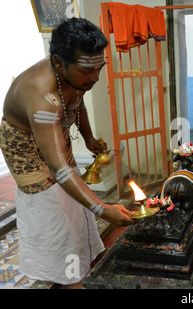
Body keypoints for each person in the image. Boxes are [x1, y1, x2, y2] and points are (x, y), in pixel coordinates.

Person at [0, 18, 136, 288]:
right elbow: (58, 168)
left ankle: (80, 264)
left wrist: (88, 138)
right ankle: (69, 279)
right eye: (88, 71)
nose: (96, 78)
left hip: (54, 140)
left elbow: (78, 104)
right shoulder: (41, 95)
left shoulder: (75, 77)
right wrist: (102, 208)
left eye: (100, 68)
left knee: (76, 213)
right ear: (59, 62)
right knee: (56, 218)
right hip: (29, 157)